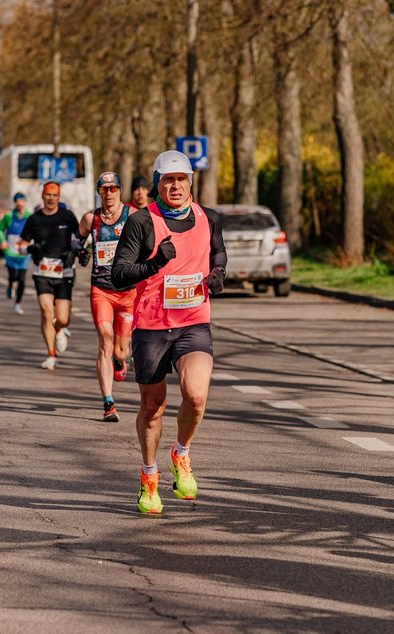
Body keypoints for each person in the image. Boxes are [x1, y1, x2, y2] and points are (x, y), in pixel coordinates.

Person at [111, 150, 227, 515]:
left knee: (195, 396)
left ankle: (182, 453)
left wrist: (218, 275)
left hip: (194, 321)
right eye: (167, 180)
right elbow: (119, 274)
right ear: (157, 183)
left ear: (190, 182)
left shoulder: (210, 217)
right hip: (151, 327)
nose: (175, 186)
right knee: (153, 407)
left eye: (181, 180)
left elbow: (218, 254)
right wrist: (155, 262)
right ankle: (149, 475)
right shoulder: (142, 222)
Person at [78, 171, 137, 422]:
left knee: (121, 350)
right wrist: (79, 252)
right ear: (99, 192)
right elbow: (76, 240)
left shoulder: (132, 215)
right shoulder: (91, 219)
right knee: (105, 338)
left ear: (120, 191)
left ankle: (120, 359)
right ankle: (108, 403)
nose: (109, 193)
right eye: (104, 189)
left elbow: (148, 243)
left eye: (113, 189)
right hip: (101, 289)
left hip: (127, 291)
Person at [19, 181, 80, 370]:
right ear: (43, 196)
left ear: (59, 197)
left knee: (62, 318)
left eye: (55, 195)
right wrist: (29, 249)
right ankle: (51, 355)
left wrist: (74, 253)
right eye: (48, 194)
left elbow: (79, 240)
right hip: (42, 272)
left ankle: (60, 329)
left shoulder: (68, 217)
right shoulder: (34, 219)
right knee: (46, 312)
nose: (51, 198)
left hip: (65, 272)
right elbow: (20, 245)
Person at [0, 192, 33, 315]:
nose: (19, 203)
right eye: (17, 200)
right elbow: (0, 230)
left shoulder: (30, 216)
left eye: (22, 200)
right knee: (13, 276)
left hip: (23, 251)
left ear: (25, 202)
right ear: (14, 202)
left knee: (21, 279)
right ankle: (10, 284)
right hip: (11, 251)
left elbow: (35, 231)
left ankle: (18, 303)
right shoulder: (8, 216)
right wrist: (3, 242)